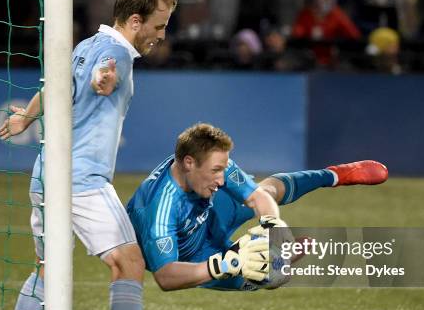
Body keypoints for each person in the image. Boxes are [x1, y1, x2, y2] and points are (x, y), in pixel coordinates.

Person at [0, 0, 185, 310]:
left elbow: (55, 86)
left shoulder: (86, 45)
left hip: (47, 174)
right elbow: (105, 77)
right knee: (129, 264)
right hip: (81, 180)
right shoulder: (115, 53)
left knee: (47, 269)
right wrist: (105, 81)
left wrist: (26, 119)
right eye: (159, 24)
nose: (162, 35)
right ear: (136, 21)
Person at [127, 123, 388, 292]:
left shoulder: (210, 165)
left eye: (223, 169)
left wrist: (271, 225)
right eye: (216, 171)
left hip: (207, 215)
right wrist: (223, 265)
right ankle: (274, 258)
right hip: (190, 258)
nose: (221, 179)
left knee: (269, 192)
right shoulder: (158, 212)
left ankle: (333, 175)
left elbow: (258, 197)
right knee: (264, 276)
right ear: (188, 163)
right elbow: (166, 276)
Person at [291, 0, 361, 68]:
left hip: (332, 63)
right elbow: (296, 33)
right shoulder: (306, 14)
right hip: (308, 61)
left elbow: (354, 35)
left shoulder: (337, 15)